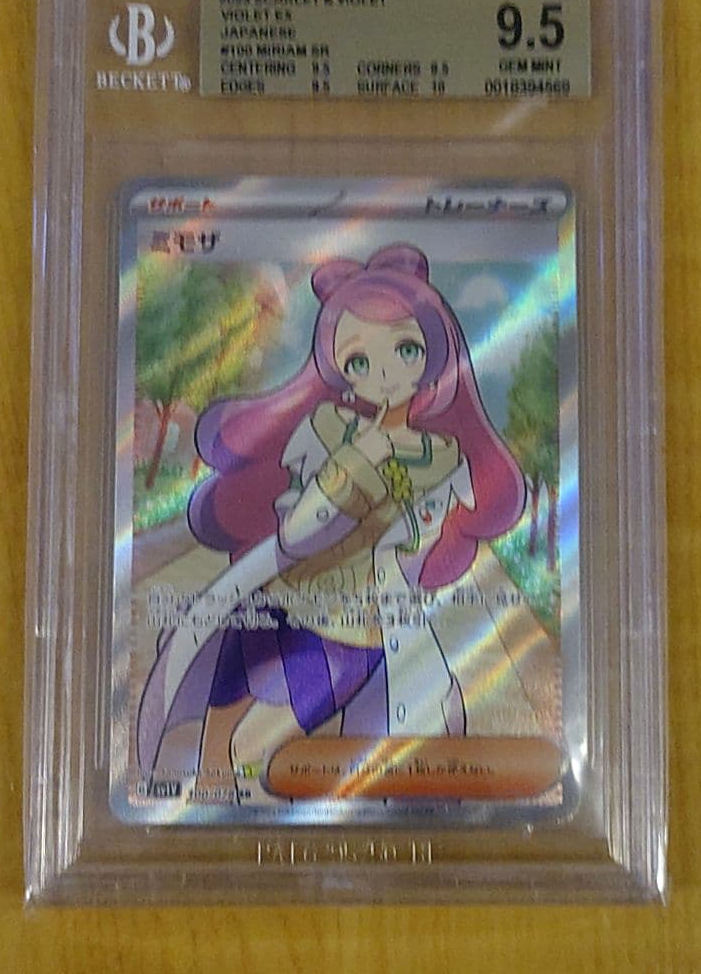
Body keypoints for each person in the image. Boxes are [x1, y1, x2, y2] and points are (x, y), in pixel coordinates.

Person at [137, 243, 526, 804]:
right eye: (359, 361)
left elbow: (424, 531)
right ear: (340, 369)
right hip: (297, 585)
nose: (383, 374)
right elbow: (304, 516)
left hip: (369, 608)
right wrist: (354, 468)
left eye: (406, 350)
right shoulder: (328, 426)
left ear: (434, 353)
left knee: (344, 700)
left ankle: (326, 790)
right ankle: (217, 768)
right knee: (242, 682)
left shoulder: (439, 455)